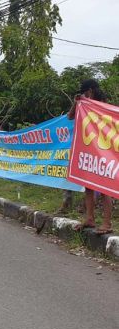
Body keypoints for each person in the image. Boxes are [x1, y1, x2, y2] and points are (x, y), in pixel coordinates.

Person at [69, 79, 114, 235]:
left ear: (91, 90)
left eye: (84, 91)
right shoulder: (84, 105)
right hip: (89, 150)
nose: (83, 94)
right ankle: (90, 219)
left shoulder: (104, 106)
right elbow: (70, 117)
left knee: (104, 188)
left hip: (104, 151)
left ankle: (107, 223)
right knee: (88, 186)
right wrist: (77, 103)